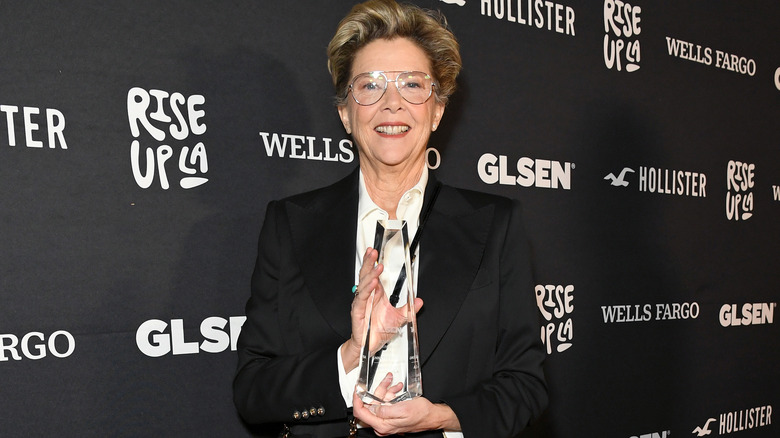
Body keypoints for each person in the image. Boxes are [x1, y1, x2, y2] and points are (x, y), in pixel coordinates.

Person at [233, 1, 548, 436]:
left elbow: (526, 385)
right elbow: (253, 390)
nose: (392, 103)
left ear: (437, 109)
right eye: (370, 86)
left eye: (413, 85)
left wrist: (443, 417)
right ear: (345, 112)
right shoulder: (289, 224)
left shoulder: (495, 224)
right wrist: (351, 352)